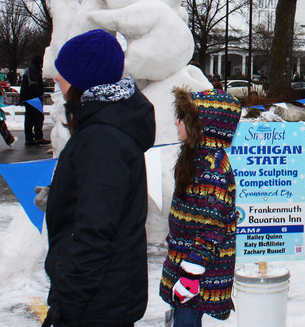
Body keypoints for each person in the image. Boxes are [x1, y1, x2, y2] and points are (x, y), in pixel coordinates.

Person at [43, 29, 155, 327]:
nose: (56, 77)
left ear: (84, 78)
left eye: (63, 71)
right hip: (104, 296)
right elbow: (100, 201)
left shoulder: (102, 139)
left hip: (97, 303)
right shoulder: (104, 126)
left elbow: (95, 234)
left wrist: (66, 309)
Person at [159, 87, 242, 326]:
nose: (177, 122)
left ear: (202, 126)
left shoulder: (210, 169)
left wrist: (191, 275)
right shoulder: (195, 159)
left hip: (196, 277)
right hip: (187, 266)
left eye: (183, 118)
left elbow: (212, 229)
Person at [20, 54, 51, 146]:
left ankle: (29, 138)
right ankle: (38, 137)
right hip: (33, 98)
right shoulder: (33, 70)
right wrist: (39, 94)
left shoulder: (31, 69)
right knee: (38, 117)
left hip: (28, 98)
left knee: (29, 119)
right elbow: (33, 84)